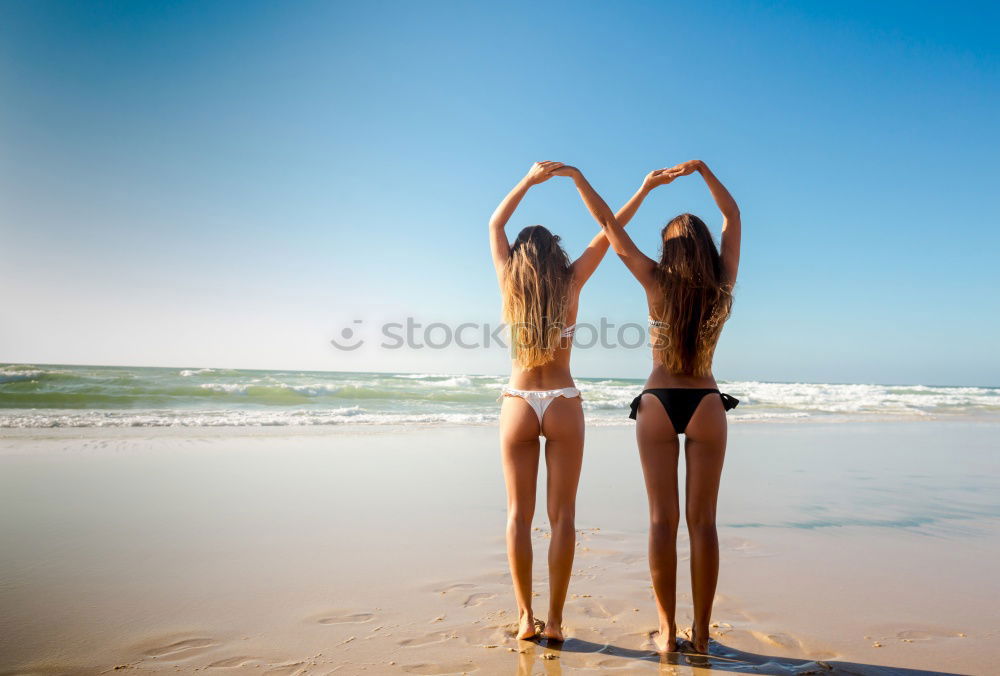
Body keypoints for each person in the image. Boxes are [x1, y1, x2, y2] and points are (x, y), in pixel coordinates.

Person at [599, 159, 742, 654]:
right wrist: (703, 171)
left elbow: (610, 230)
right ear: (704, 246)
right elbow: (733, 218)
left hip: (658, 402)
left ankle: (666, 632)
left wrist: (640, 186)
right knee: (703, 522)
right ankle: (701, 634)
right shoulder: (721, 283)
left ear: (668, 248)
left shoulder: (655, 282)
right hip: (705, 401)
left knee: (662, 521)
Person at [489, 161, 617, 641]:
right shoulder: (571, 283)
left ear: (520, 257)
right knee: (563, 517)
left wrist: (526, 180)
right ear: (555, 255)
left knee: (518, 517)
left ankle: (525, 618)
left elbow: (495, 224)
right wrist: (579, 179)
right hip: (563, 399)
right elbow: (608, 231)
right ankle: (557, 622)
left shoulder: (509, 283)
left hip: (518, 400)